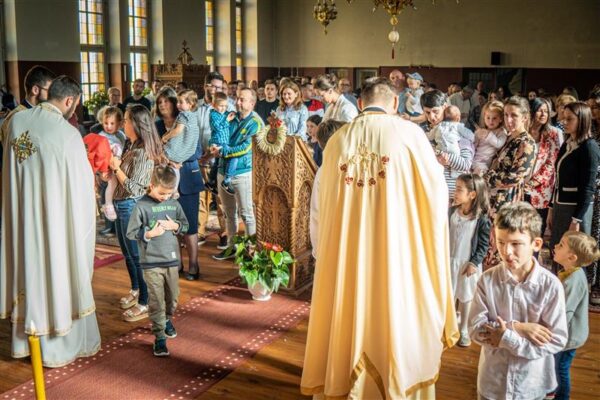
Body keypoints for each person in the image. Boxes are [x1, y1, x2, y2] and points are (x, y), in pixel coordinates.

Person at [301, 78, 459, 399]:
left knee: (347, 314)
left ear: (360, 103)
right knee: (395, 312)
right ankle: (397, 382)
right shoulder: (410, 134)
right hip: (396, 251)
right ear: (396, 103)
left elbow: (318, 205)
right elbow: (436, 194)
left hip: (347, 255)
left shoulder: (338, 140)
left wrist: (323, 251)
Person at [0, 75, 101, 367]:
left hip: (22, 218)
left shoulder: (16, 122)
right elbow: (82, 189)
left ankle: (27, 341)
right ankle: (58, 344)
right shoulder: (67, 134)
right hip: (56, 220)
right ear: (69, 100)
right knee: (57, 269)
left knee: (28, 270)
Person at [469, 202, 568, 400]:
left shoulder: (550, 286)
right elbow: (475, 330)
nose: (506, 251)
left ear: (536, 244)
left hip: (530, 386)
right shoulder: (487, 280)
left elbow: (556, 340)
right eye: (501, 242)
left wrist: (505, 337)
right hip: (493, 385)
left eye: (516, 243)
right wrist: (519, 328)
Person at [126, 166, 189, 357]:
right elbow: (131, 232)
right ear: (151, 185)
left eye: (169, 193)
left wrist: (175, 225)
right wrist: (149, 234)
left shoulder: (174, 204)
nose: (165, 197)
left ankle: (166, 319)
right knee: (156, 300)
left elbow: (185, 225)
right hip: (151, 262)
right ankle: (160, 336)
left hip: (171, 260)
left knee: (173, 298)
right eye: (162, 193)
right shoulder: (141, 206)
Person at [111, 104, 166, 321]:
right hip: (120, 204)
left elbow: (135, 188)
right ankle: (136, 290)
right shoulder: (130, 144)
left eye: (126, 120)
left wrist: (116, 168)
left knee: (137, 256)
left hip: (131, 205)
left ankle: (145, 302)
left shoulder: (143, 152)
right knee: (128, 254)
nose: (123, 123)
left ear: (136, 124)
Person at [155, 88, 203, 281]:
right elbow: (153, 149)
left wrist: (178, 160)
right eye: (159, 102)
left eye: (166, 101)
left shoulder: (186, 120)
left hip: (188, 179)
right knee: (171, 226)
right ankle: (178, 263)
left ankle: (194, 264)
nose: (163, 105)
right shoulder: (157, 125)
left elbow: (197, 151)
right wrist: (167, 160)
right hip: (165, 181)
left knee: (189, 226)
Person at [211, 88, 263, 260]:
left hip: (242, 173)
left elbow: (245, 148)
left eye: (242, 99)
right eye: (237, 99)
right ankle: (231, 247)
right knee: (228, 212)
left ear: (252, 103)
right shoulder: (230, 116)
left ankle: (250, 252)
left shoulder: (255, 123)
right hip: (222, 170)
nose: (238, 102)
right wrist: (214, 145)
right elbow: (219, 133)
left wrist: (223, 150)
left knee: (247, 214)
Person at [549, 102, 600, 273]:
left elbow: (588, 188)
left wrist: (576, 220)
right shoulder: (568, 143)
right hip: (560, 206)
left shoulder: (589, 147)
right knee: (558, 251)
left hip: (576, 211)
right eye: (563, 118)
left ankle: (573, 288)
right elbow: (558, 179)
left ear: (582, 120)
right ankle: (558, 286)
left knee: (573, 255)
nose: (564, 122)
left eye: (569, 119)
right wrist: (551, 208)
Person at [551, 231, 600, 400]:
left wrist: (553, 335)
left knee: (560, 368)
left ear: (571, 257)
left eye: (561, 245)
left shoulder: (573, 281)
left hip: (568, 337)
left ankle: (562, 397)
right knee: (559, 366)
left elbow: (564, 313)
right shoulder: (571, 273)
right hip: (568, 334)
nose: (555, 246)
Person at [448, 173, 491, 347]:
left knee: (465, 298)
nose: (455, 192)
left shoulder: (481, 219)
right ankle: (449, 326)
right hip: (449, 261)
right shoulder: (451, 212)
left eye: (459, 189)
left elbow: (483, 245)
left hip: (467, 264)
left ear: (472, 194)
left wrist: (474, 262)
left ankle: (464, 328)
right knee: (449, 295)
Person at [195, 72, 230, 249]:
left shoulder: (227, 107)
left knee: (221, 199)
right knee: (201, 197)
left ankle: (225, 233)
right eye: (213, 86)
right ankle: (200, 232)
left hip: (219, 159)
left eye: (219, 87)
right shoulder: (196, 106)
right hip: (199, 158)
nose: (216, 89)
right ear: (205, 86)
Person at [421, 89, 473, 198]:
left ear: (445, 107)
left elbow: (466, 164)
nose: (431, 117)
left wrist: (443, 156)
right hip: (431, 191)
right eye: (427, 112)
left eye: (435, 111)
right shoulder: (425, 132)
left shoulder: (458, 131)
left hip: (454, 193)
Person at [524, 97, 563, 238]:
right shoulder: (523, 131)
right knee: (521, 227)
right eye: (540, 110)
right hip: (520, 185)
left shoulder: (553, 133)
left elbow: (552, 163)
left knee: (536, 230)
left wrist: (531, 183)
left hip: (541, 188)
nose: (543, 114)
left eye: (546, 111)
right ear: (531, 111)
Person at [309, 119, 345, 259]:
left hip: (330, 241)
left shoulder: (323, 171)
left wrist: (317, 251)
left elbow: (316, 214)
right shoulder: (355, 166)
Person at [160, 89, 200, 195]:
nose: (178, 105)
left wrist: (165, 138)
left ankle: (171, 188)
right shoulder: (194, 116)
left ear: (190, 104)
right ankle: (175, 189)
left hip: (176, 148)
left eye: (181, 102)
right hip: (187, 149)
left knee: (168, 166)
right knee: (175, 167)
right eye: (177, 102)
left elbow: (178, 130)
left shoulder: (183, 115)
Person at [96, 106, 127, 221]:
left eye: (112, 123)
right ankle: (108, 204)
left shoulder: (121, 135)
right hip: (107, 165)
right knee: (112, 181)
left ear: (119, 123)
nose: (108, 126)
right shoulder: (102, 135)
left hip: (119, 164)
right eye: (106, 123)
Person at [208, 92, 237, 195]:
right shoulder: (213, 115)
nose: (223, 108)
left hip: (224, 141)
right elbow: (218, 128)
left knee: (217, 163)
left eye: (225, 106)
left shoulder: (224, 113)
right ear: (213, 105)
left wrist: (232, 114)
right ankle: (227, 180)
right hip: (219, 141)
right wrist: (227, 120)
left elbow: (230, 114)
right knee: (233, 156)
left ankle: (211, 182)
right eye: (221, 106)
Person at [472, 100, 507, 174]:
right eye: (488, 118)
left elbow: (499, 144)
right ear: (484, 117)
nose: (491, 121)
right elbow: (473, 145)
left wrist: (489, 135)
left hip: (484, 163)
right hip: (473, 159)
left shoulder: (501, 131)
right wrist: (476, 136)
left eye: (494, 118)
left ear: (501, 119)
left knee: (477, 175)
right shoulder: (482, 130)